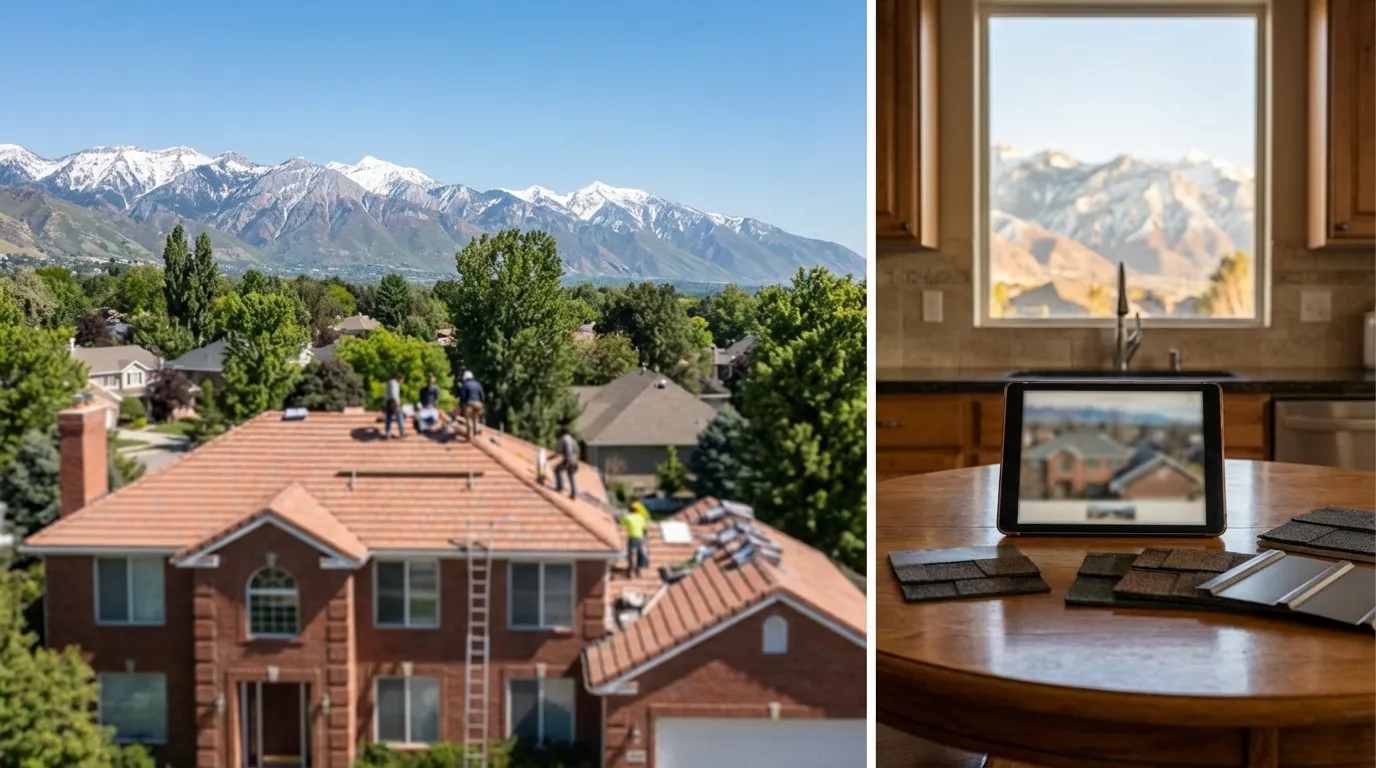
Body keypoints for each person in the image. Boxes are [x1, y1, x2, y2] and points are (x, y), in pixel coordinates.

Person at [621, 506, 648, 579]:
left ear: (629, 510)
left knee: (631, 554)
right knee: (641, 553)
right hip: (641, 537)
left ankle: (631, 571)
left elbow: (621, 523)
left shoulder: (627, 517)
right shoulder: (641, 517)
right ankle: (640, 570)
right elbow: (644, 529)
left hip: (632, 537)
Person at [553, 426, 579, 499]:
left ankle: (560, 487)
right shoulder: (573, 440)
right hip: (574, 460)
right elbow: (576, 451)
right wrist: (576, 462)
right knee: (571, 475)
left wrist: (550, 458)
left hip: (568, 460)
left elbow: (559, 451)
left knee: (557, 470)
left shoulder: (563, 439)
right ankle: (574, 493)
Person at [459, 370, 485, 438]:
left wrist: (462, 405)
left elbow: (463, 396)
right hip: (478, 404)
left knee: (468, 419)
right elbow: (482, 395)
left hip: (470, 404)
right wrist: (481, 403)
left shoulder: (465, 385)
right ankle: (476, 430)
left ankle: (469, 434)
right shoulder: (478, 384)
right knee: (476, 418)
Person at [383, 373, 406, 439]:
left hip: (389, 402)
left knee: (388, 418)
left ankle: (388, 434)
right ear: (400, 378)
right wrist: (398, 403)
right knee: (399, 417)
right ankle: (401, 433)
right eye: (402, 380)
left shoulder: (392, 382)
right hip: (393, 402)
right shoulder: (393, 383)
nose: (402, 382)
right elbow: (394, 394)